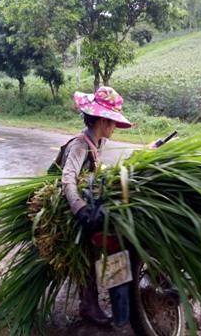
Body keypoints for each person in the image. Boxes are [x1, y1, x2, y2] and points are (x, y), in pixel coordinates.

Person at [49, 86, 132, 325]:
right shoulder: (80, 145)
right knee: (89, 251)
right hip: (71, 205)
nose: (115, 127)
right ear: (104, 121)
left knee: (109, 240)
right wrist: (81, 210)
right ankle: (89, 305)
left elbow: (94, 173)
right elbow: (68, 179)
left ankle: (118, 304)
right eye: (114, 122)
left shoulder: (98, 141)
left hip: (87, 199)